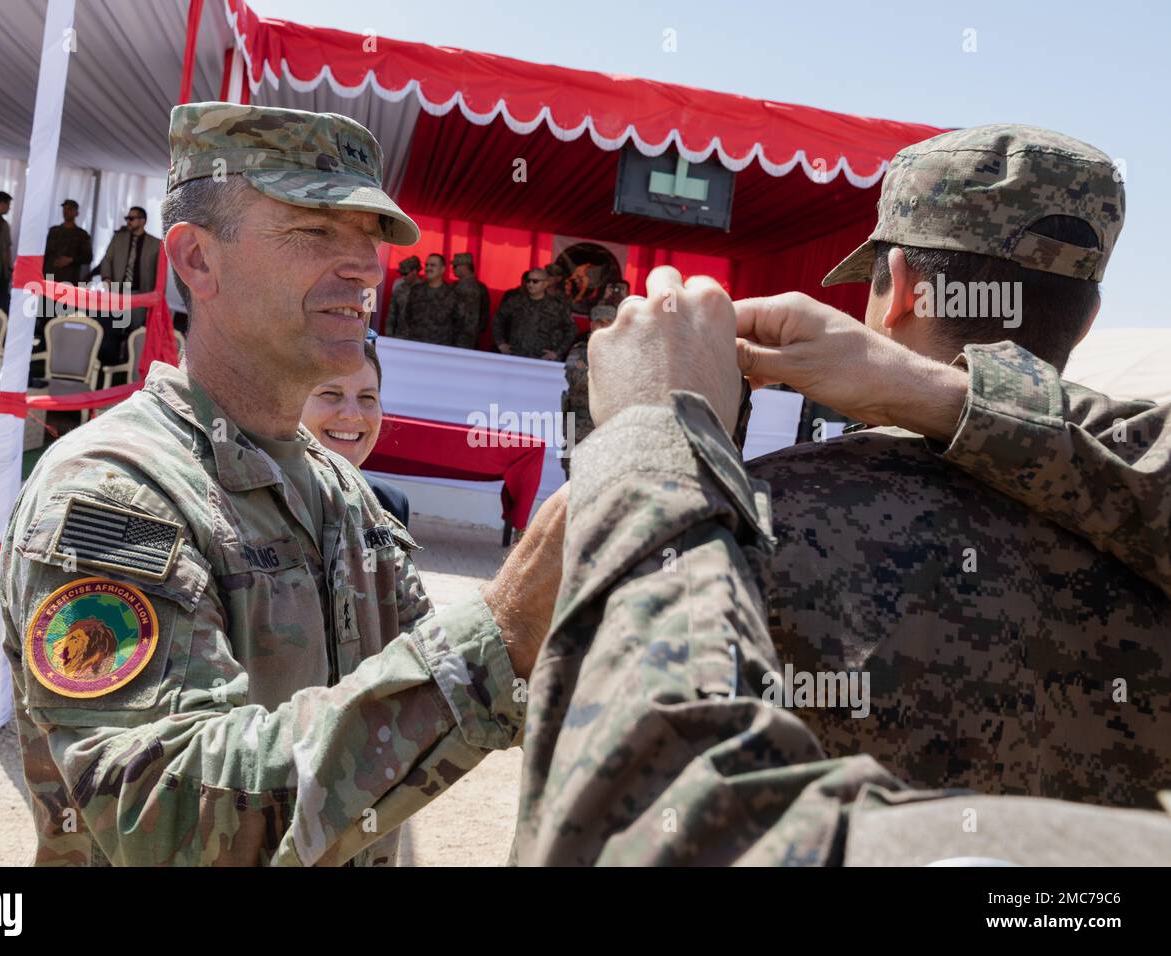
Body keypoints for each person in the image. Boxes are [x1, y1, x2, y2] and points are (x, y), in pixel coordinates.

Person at [0, 103, 566, 867]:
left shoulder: (340, 491)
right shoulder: (113, 496)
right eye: (315, 233)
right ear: (198, 259)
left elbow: (463, 696)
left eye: (370, 242)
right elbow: (169, 822)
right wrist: (504, 628)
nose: (366, 268)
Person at [512, 266, 1171, 865]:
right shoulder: (1135, 551)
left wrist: (651, 443)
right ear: (1087, 321)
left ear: (901, 288)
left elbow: (630, 823)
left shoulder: (740, 525)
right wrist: (933, 394)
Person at [730, 126, 1170, 809]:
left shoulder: (756, 519)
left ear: (900, 287)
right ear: (1086, 323)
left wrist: (671, 440)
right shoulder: (1143, 521)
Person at [301, 333, 410, 527]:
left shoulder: (390, 504)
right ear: (292, 403)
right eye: (331, 394)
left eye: (367, 398)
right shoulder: (259, 501)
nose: (352, 414)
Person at [96, 206, 161, 363]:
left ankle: (129, 364)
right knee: (110, 327)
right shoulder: (119, 239)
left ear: (143, 221)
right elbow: (106, 260)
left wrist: (155, 300)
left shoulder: (155, 244)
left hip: (140, 296)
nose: (128, 221)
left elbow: (159, 275)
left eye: (131, 218)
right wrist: (107, 279)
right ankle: (109, 363)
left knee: (135, 333)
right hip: (117, 294)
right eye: (127, 218)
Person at [560, 303, 614, 477]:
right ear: (591, 324)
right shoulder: (579, 351)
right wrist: (608, 371)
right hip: (578, 422)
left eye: (609, 321)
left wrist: (590, 369)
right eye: (599, 321)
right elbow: (577, 381)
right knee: (572, 475)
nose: (603, 326)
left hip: (607, 424)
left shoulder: (623, 351)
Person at [493, 267, 577, 360]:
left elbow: (572, 329)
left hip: (542, 360)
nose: (530, 284)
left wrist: (557, 352)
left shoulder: (557, 306)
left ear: (545, 284)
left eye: (535, 281)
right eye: (528, 281)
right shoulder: (516, 301)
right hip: (516, 357)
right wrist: (501, 343)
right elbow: (498, 319)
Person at [398, 253, 474, 348]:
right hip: (414, 345)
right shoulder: (416, 290)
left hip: (439, 349)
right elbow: (406, 318)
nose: (428, 268)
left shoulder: (453, 295)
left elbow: (460, 325)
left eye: (432, 265)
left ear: (443, 269)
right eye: (426, 265)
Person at [42, 199, 93, 285]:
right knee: (46, 298)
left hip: (69, 279)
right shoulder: (53, 231)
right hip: (49, 276)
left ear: (76, 213)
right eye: (64, 209)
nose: (66, 212)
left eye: (70, 209)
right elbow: (44, 252)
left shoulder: (82, 235)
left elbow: (88, 257)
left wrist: (71, 260)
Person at [451, 252, 490, 347]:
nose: (453, 268)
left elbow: (470, 319)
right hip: (464, 337)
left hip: (460, 339)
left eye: (455, 266)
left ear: (465, 266)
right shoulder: (459, 285)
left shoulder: (469, 287)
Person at [386, 255, 420, 337]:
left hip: (419, 338)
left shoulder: (425, 288)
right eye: (401, 273)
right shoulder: (399, 288)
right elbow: (392, 314)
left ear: (415, 271)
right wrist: (389, 334)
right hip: (400, 336)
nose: (403, 277)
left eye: (405, 273)